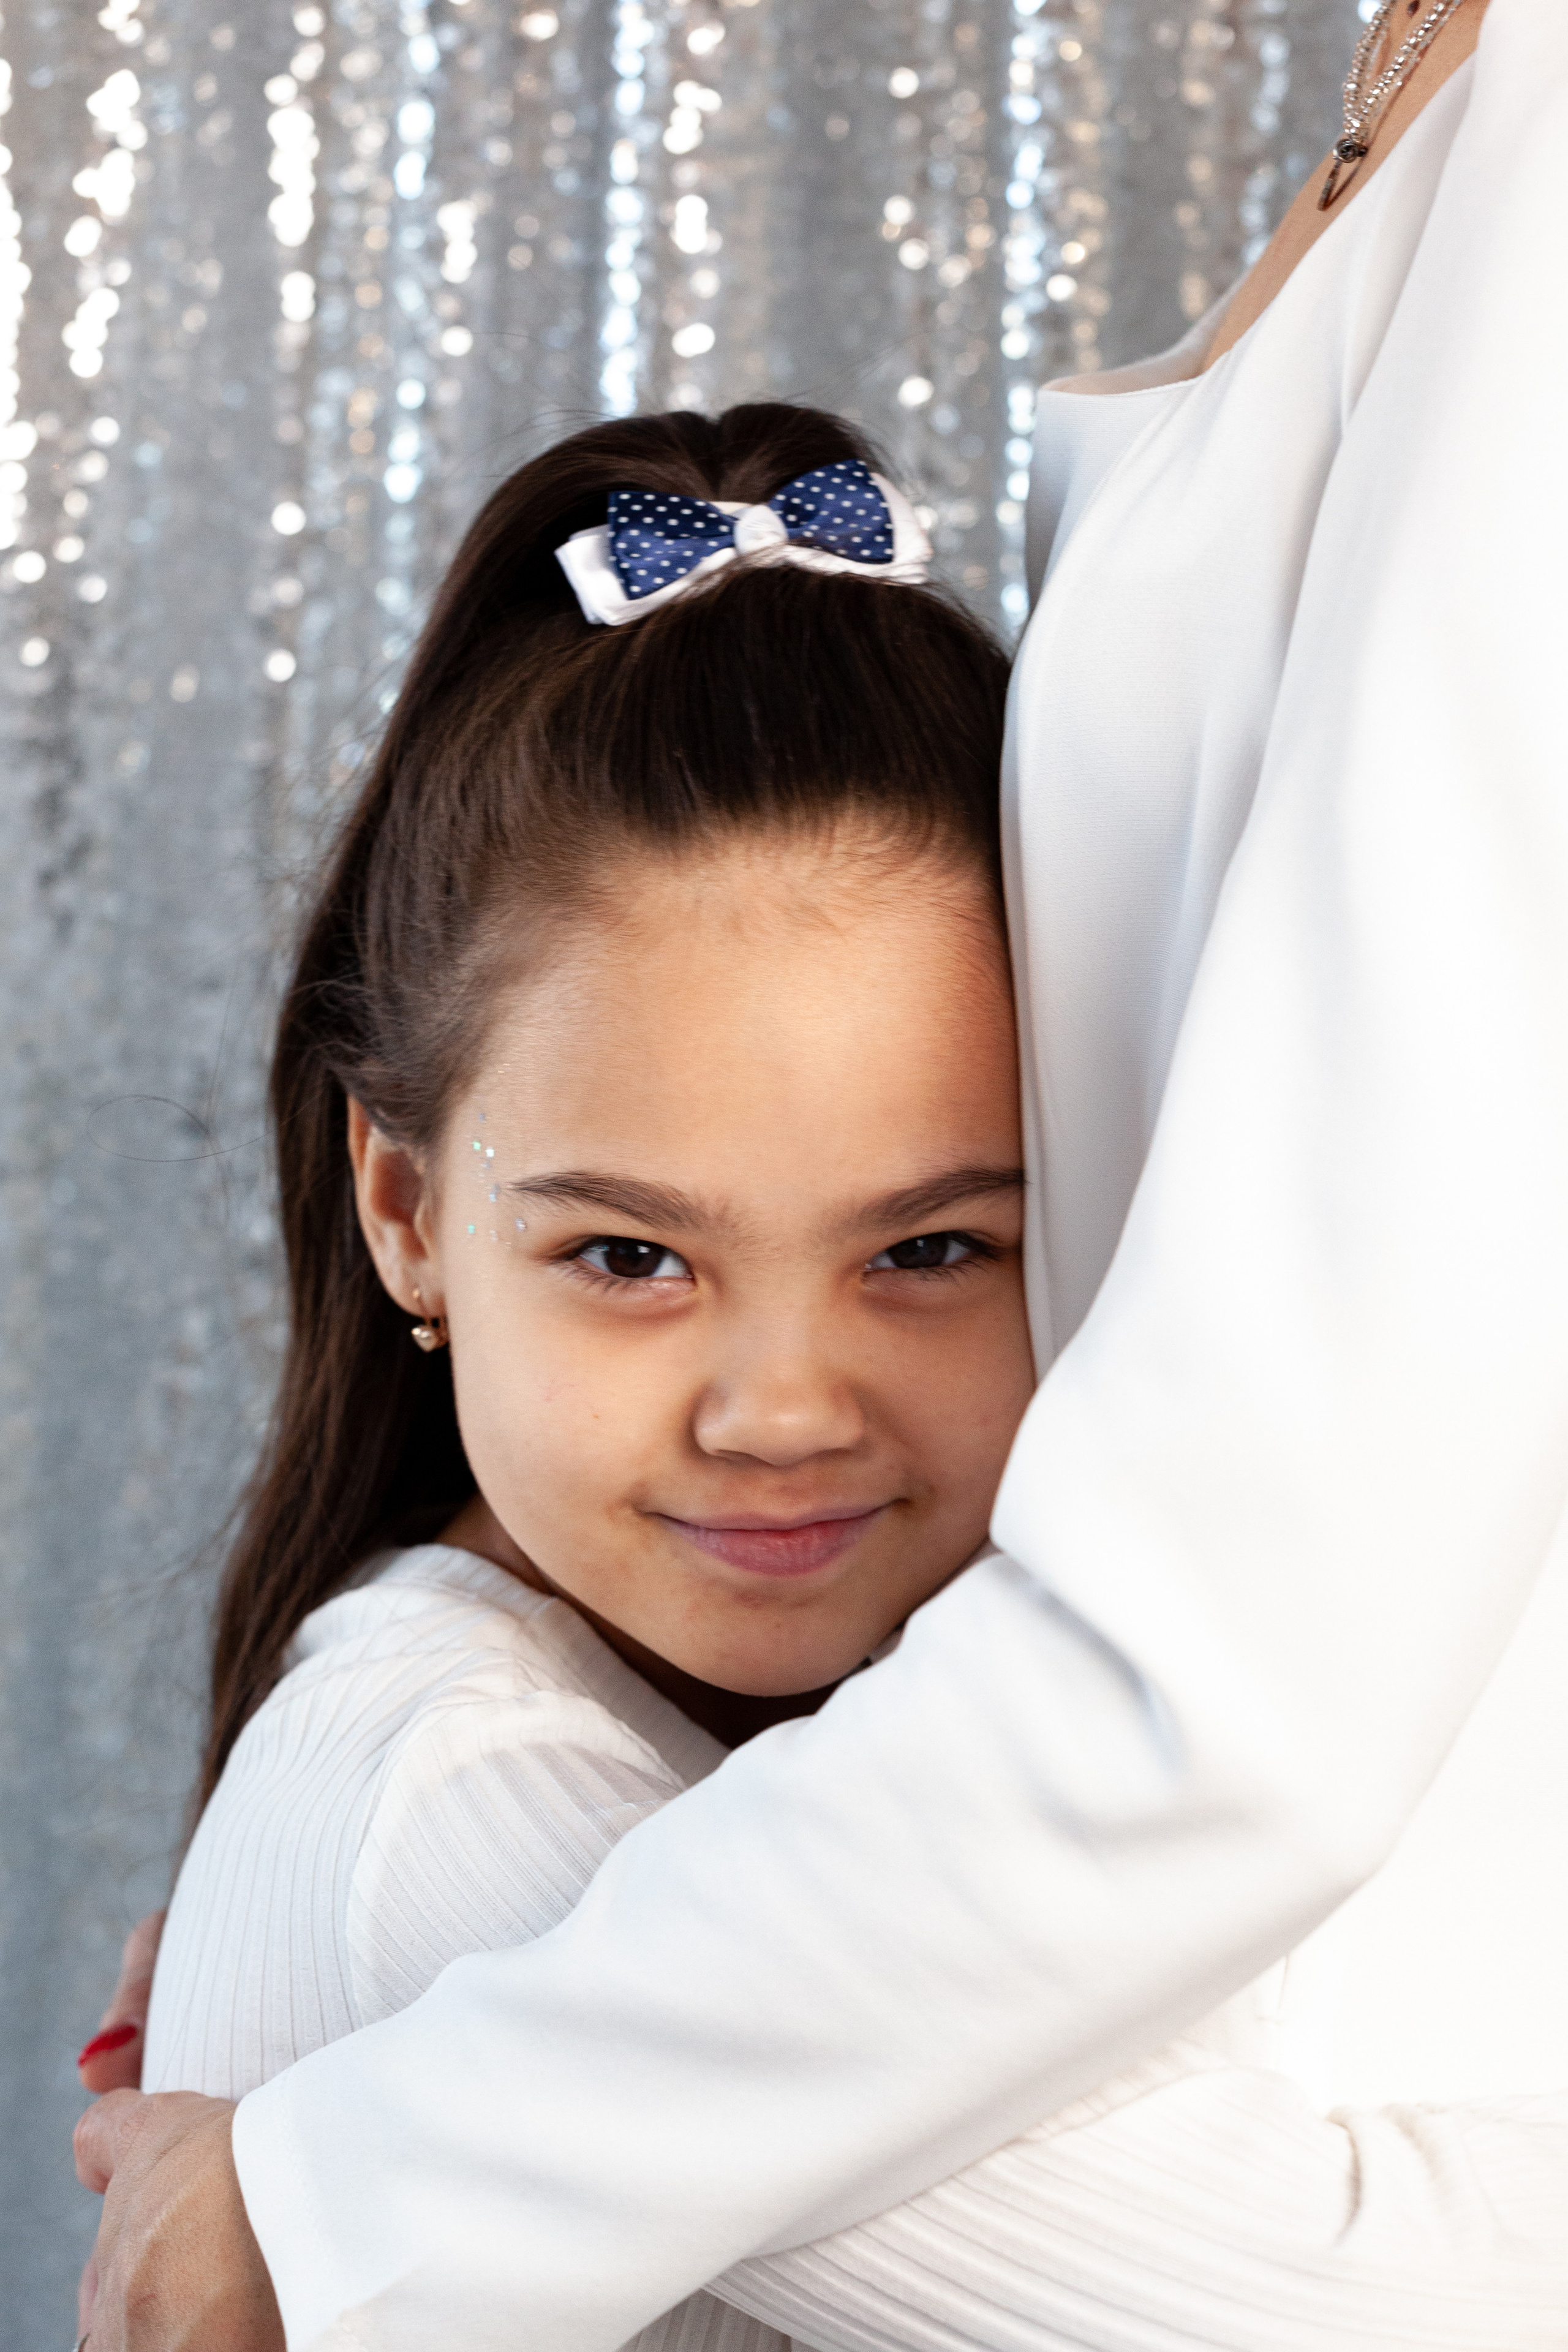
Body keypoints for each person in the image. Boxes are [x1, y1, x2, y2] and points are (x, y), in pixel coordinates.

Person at [77, 0, 1568, 2343]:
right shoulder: (464, 1789)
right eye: (631, 1255)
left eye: (936, 1244)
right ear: (406, 1211)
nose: (783, 1406)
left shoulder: (634, 1791)